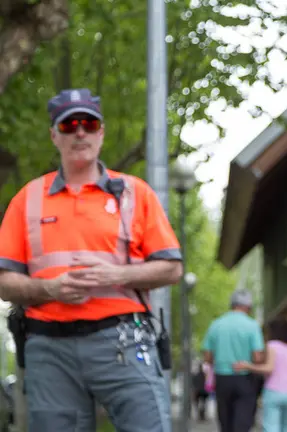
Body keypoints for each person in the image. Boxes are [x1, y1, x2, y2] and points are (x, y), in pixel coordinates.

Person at [0, 88, 183, 431]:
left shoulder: (135, 192)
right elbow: (4, 281)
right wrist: (49, 289)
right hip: (49, 349)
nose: (80, 132)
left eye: (88, 123)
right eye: (69, 125)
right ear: (54, 135)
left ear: (101, 132)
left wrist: (115, 275)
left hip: (123, 342)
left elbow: (172, 268)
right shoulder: (27, 198)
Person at [202, 289, 266, 432]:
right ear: (248, 306)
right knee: (243, 423)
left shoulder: (216, 324)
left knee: (225, 423)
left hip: (222, 378)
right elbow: (257, 357)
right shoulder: (252, 325)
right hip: (245, 378)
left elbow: (207, 357)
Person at [234, 317, 287, 432]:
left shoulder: (272, 346)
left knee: (271, 427)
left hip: (274, 392)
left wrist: (247, 366)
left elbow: (269, 368)